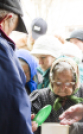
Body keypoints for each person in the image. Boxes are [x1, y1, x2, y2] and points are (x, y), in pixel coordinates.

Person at [30, 56, 83, 134]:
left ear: (76, 80)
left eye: (68, 83)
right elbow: (27, 120)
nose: (63, 87)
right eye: (58, 83)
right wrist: (32, 122)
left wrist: (75, 128)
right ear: (51, 80)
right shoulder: (39, 97)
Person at [0, 0, 33, 134]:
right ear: (7, 19)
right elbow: (12, 103)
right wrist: (23, 124)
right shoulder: (2, 48)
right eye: (12, 30)